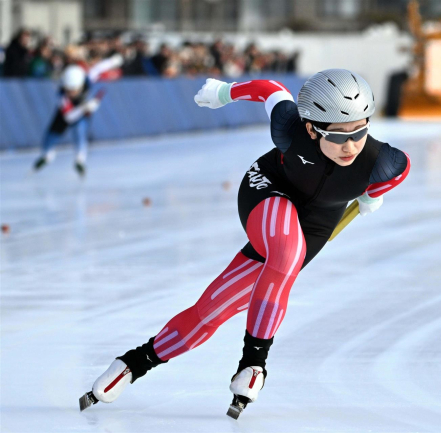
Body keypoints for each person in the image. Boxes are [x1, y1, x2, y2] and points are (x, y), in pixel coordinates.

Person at [79, 69, 411, 419]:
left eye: (360, 130)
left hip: (316, 223)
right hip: (268, 192)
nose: (351, 146)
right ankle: (254, 363)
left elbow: (396, 175)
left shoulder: (386, 163)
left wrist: (373, 194)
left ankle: (133, 363)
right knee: (286, 250)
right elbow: (271, 90)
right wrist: (225, 93)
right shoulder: (289, 127)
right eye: (339, 135)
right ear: (312, 129)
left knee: (212, 310)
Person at [33, 54, 123, 176]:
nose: (71, 93)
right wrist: (85, 107)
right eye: (68, 90)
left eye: (74, 90)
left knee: (80, 130)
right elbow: (69, 117)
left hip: (81, 113)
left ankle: (80, 158)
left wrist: (112, 61)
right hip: (66, 114)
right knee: (51, 134)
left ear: (81, 85)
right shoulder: (62, 96)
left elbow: (98, 68)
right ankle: (47, 154)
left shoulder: (87, 79)